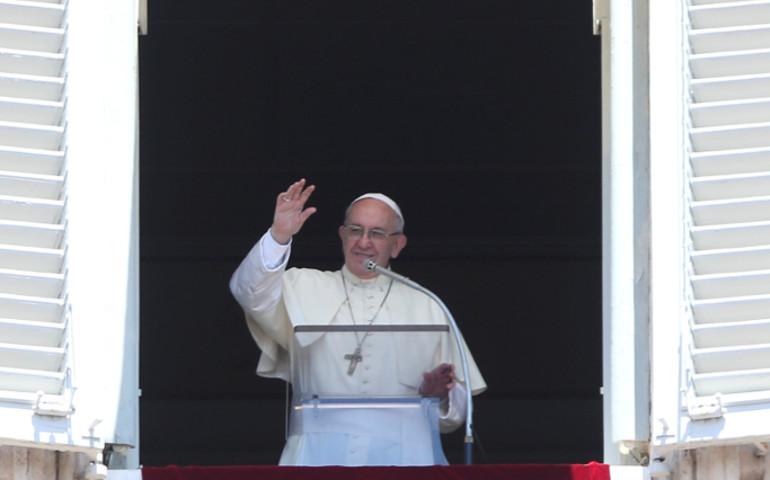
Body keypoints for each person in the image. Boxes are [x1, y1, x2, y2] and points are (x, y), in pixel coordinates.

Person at [230, 178, 486, 466]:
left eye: (376, 233)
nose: (363, 242)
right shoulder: (301, 285)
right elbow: (248, 292)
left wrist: (438, 398)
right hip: (316, 454)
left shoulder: (427, 304)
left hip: (405, 456)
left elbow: (458, 407)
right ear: (342, 234)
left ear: (397, 245)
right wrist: (279, 235)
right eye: (355, 230)